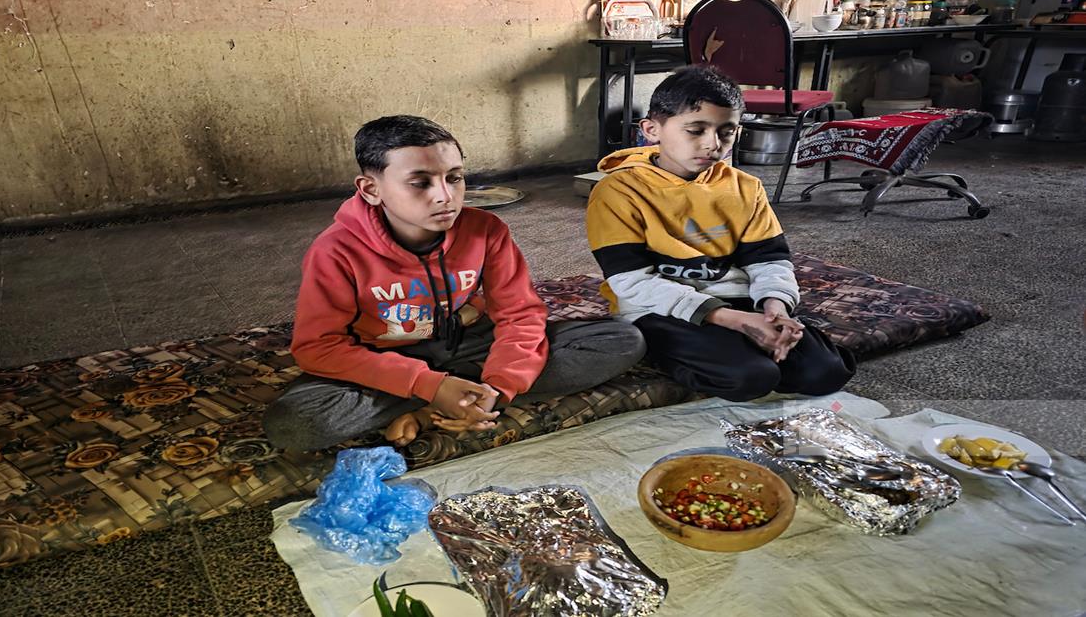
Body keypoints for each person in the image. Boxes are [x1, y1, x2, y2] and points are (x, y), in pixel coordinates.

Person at [264, 115, 646, 451]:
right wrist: (426, 383)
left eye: (454, 178)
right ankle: (455, 396)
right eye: (420, 183)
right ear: (370, 189)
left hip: (464, 341)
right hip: (381, 355)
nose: (445, 197)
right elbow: (318, 347)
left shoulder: (486, 230)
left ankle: (454, 404)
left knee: (621, 339)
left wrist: (501, 384)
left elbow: (519, 314)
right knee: (295, 422)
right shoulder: (336, 250)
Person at [585, 66, 855, 402]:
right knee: (752, 376)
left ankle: (747, 338)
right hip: (659, 308)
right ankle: (667, 351)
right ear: (652, 130)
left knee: (825, 372)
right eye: (695, 130)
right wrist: (736, 321)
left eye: (727, 132)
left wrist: (776, 309)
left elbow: (769, 260)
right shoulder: (618, 191)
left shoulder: (745, 187)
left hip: (736, 298)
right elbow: (631, 281)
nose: (712, 145)